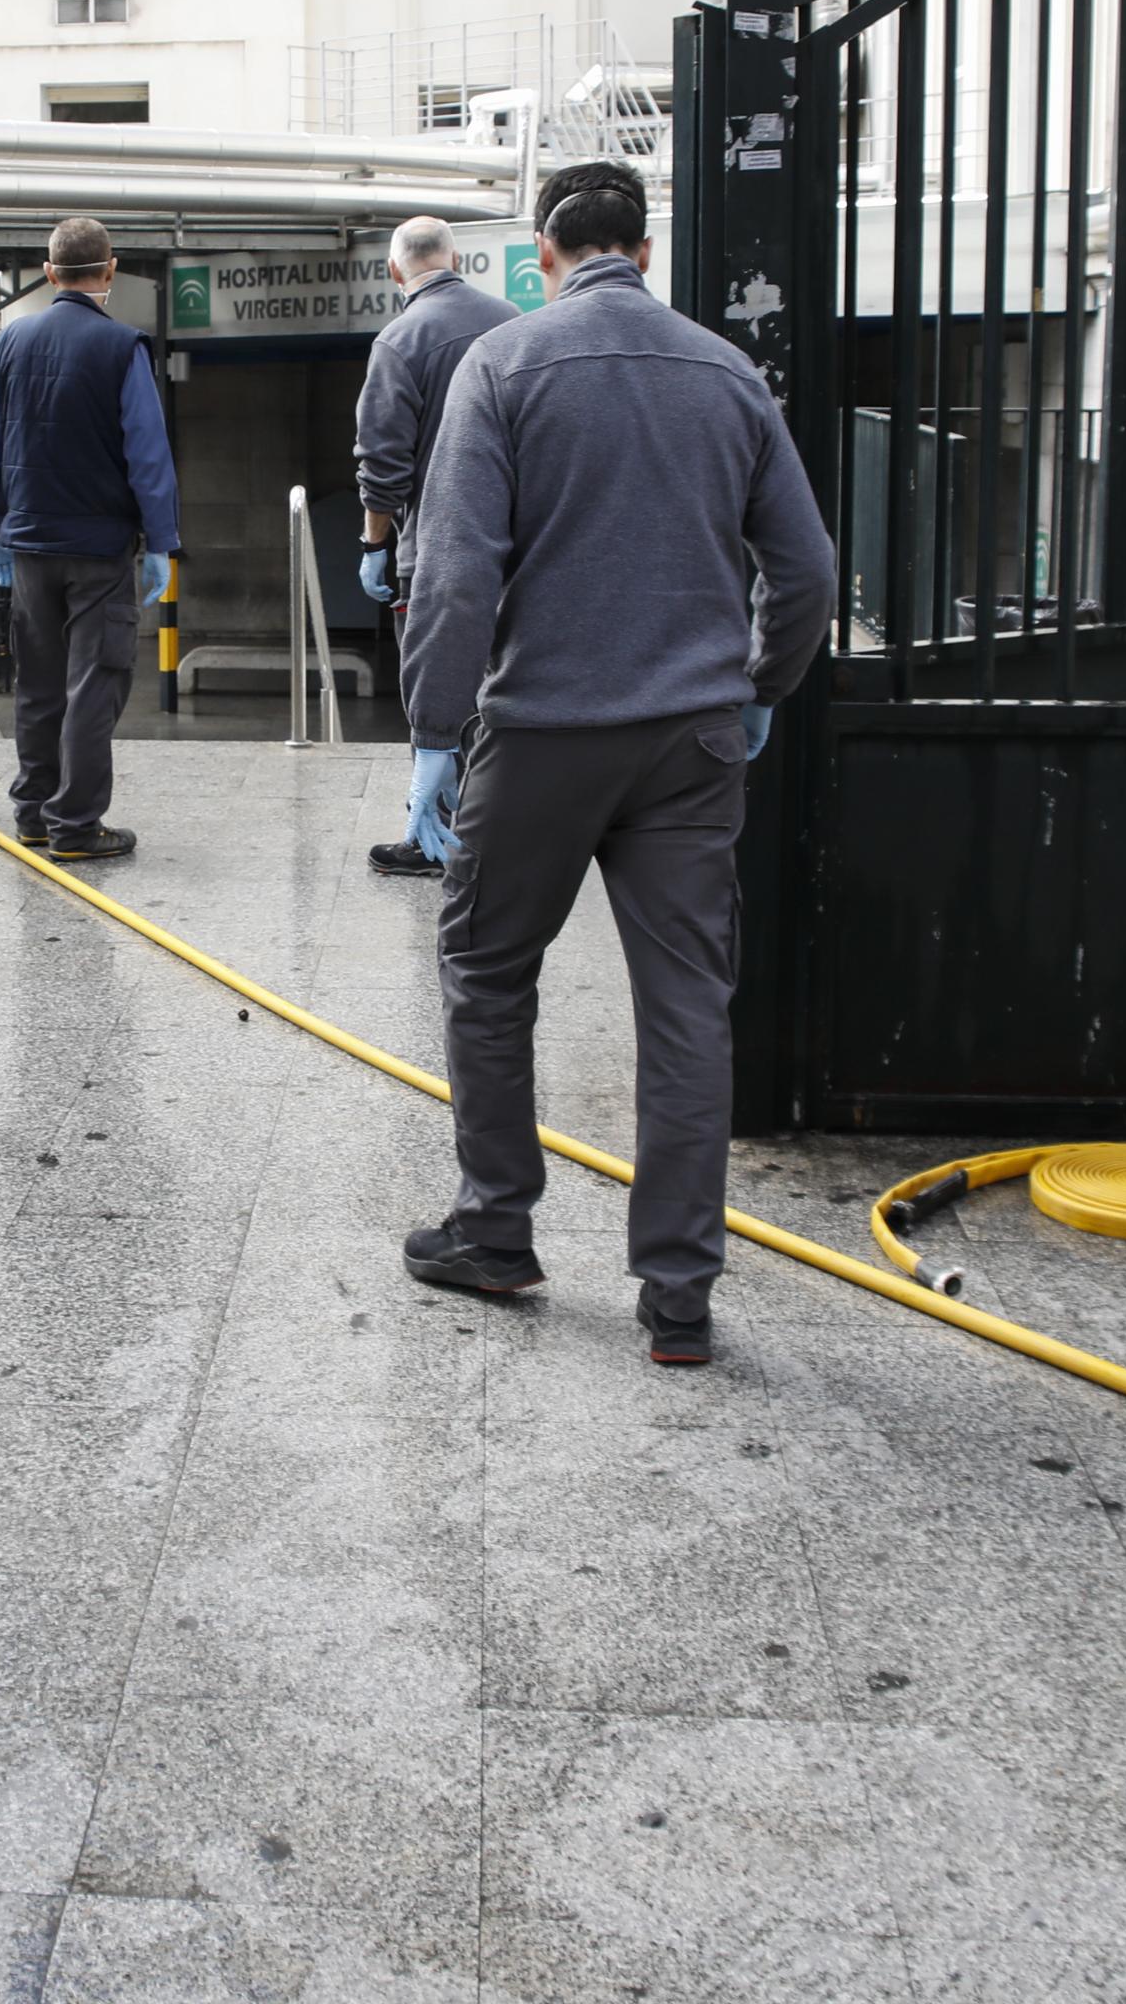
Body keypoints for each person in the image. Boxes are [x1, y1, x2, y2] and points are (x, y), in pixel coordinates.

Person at [395, 158, 833, 1367]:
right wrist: (761, 686)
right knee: (688, 1005)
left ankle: (496, 1231)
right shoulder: (727, 373)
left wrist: (438, 731)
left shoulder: (505, 363)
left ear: (545, 255)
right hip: (691, 740)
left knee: (488, 970)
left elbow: (458, 566)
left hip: (540, 733)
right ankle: (680, 1294)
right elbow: (805, 576)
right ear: (645, 253)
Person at [0, 215, 180, 863]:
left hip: (30, 547)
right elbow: (148, 456)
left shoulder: (10, 343)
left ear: (49, 270)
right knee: (95, 681)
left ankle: (33, 814)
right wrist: (161, 542)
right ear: (110, 269)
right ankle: (76, 827)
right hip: (99, 551)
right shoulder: (123, 348)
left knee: (37, 682)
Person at [352, 213, 518, 878]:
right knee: (500, 688)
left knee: (436, 686)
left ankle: (437, 839)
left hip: (437, 548)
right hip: (517, 548)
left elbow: (382, 461)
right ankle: (501, 828)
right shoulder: (513, 322)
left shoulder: (400, 340)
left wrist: (374, 545)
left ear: (397, 272)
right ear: (457, 260)